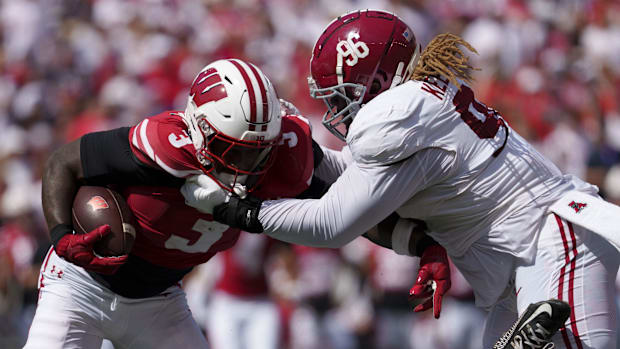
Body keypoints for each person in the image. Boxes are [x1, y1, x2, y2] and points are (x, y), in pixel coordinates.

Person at [206, 10, 620, 349]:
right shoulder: (416, 104)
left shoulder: (394, 114)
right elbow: (353, 181)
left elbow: (332, 223)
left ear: (379, 81)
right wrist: (309, 157)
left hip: (554, 242)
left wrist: (242, 212)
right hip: (524, 257)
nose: (336, 109)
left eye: (341, 95)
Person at [23, 58, 321, 349]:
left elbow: (343, 213)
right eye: (232, 150)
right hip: (81, 286)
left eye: (259, 152)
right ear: (199, 127)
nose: (245, 167)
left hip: (159, 302)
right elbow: (62, 162)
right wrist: (61, 236)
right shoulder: (164, 147)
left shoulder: (280, 165)